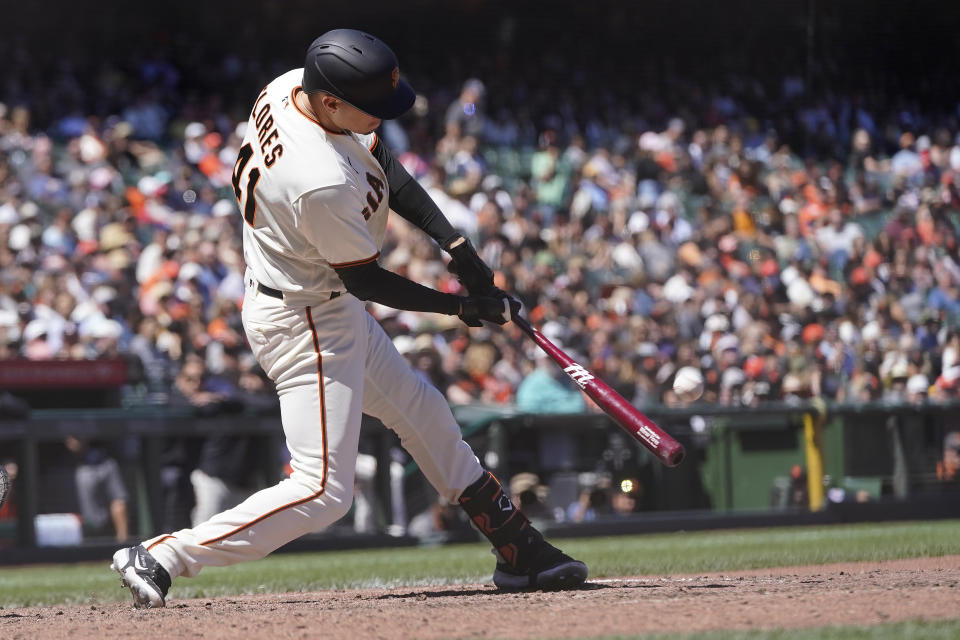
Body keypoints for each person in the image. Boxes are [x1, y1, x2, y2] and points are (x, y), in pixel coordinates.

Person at [111, 29, 586, 608]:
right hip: (305, 317)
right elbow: (366, 280)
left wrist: (455, 246)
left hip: (314, 299)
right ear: (332, 99)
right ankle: (164, 554)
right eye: (371, 105)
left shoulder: (293, 87)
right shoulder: (320, 180)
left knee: (424, 412)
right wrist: (462, 308)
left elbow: (380, 159)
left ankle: (519, 550)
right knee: (322, 490)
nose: (383, 117)